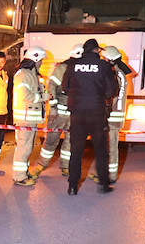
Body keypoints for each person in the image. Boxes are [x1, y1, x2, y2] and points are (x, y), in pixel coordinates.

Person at [62, 39, 118, 195]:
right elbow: (111, 91)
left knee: (76, 150)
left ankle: (72, 186)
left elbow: (64, 88)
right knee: (100, 150)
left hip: (77, 113)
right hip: (96, 113)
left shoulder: (72, 65)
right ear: (96, 50)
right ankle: (103, 185)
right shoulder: (104, 66)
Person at [31, 44, 84, 179]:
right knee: (51, 140)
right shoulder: (62, 68)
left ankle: (65, 166)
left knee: (70, 141)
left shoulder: (81, 69)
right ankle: (42, 165)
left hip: (74, 112)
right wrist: (53, 108)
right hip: (60, 111)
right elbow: (52, 87)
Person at [88, 45, 132, 184]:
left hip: (112, 117)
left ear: (109, 60)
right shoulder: (118, 72)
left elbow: (110, 95)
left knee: (111, 147)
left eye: (104, 58)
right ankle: (103, 173)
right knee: (106, 146)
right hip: (113, 116)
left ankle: (110, 176)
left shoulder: (115, 74)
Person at [12, 46, 50, 186]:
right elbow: (25, 95)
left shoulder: (31, 74)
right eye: (41, 61)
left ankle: (24, 173)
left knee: (28, 148)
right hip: (25, 119)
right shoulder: (23, 74)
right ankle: (19, 177)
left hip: (30, 119)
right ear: (35, 59)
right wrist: (43, 96)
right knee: (23, 148)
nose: (41, 63)